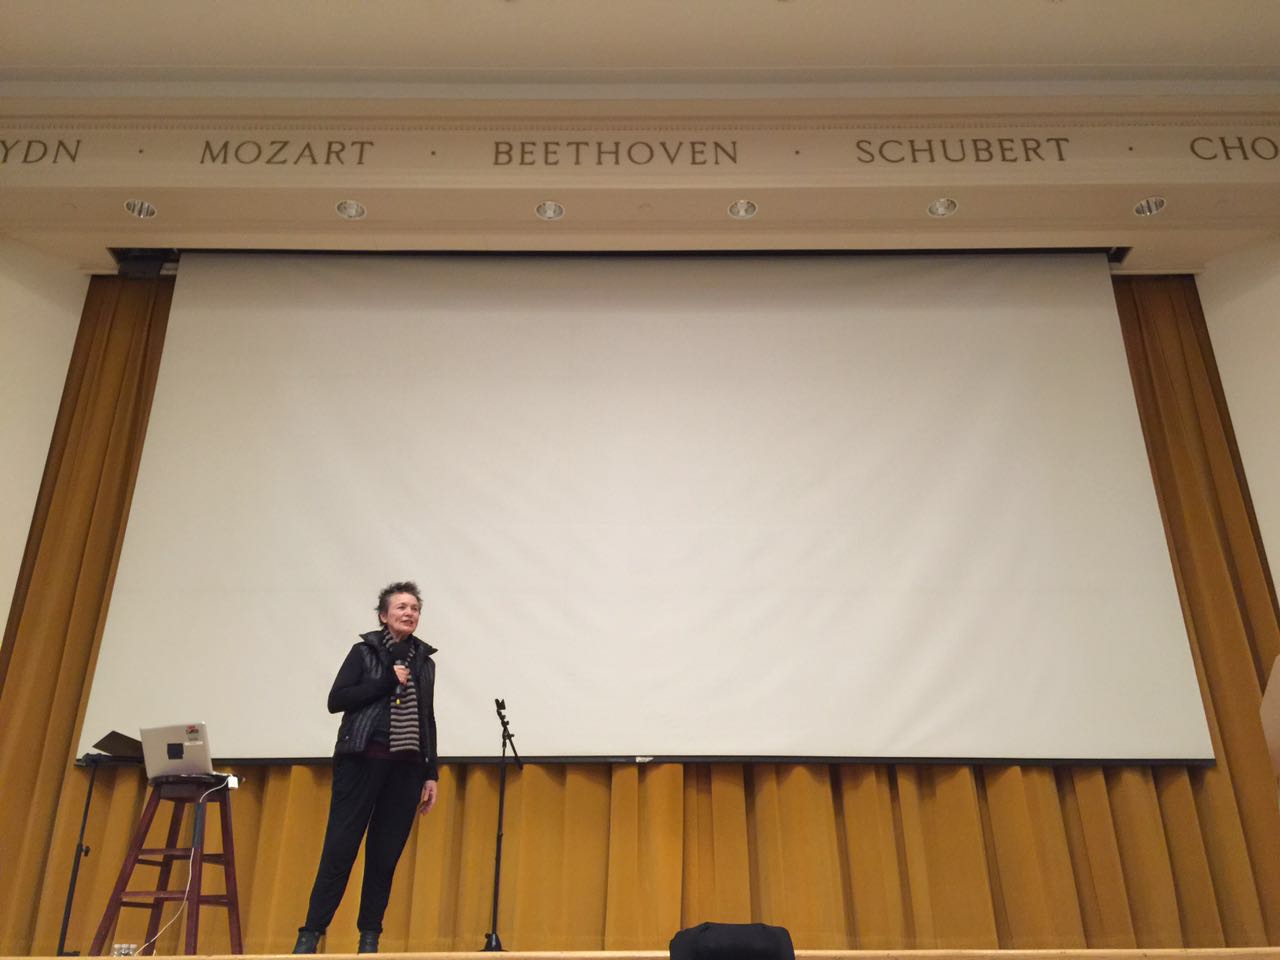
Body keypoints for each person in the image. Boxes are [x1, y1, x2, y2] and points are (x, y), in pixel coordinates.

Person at [293, 581, 439, 954]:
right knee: (340, 850)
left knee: (384, 857)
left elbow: (427, 719)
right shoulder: (364, 652)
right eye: (401, 607)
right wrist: (387, 681)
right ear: (383, 616)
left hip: (406, 769)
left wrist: (431, 773)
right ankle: (310, 935)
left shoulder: (425, 662)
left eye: (414, 608)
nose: (409, 613)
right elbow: (337, 700)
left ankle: (369, 939)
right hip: (362, 760)